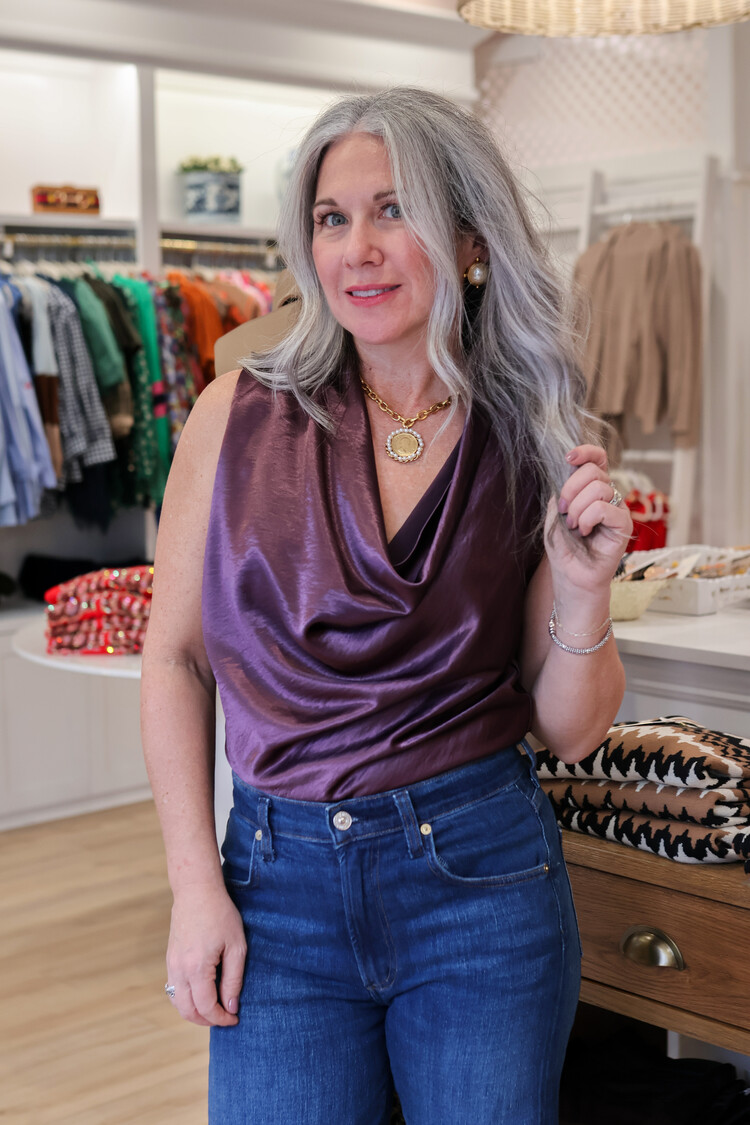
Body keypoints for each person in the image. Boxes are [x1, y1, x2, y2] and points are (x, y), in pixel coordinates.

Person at [141, 86, 633, 1125]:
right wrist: (194, 887)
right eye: (333, 218)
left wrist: (587, 589)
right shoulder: (234, 416)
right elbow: (174, 660)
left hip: (482, 886)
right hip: (277, 889)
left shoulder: (532, 436)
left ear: (471, 241)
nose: (357, 249)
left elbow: (569, 728)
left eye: (393, 210)